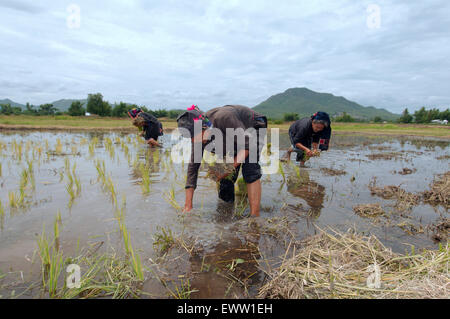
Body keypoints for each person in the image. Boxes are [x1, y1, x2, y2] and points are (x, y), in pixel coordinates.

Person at [177, 104, 267, 217]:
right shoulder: (197, 137)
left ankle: (255, 217)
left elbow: (247, 146)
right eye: (190, 138)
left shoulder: (224, 118)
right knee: (225, 180)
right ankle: (226, 212)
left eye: (195, 136)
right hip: (231, 134)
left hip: (253, 125)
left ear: (204, 127)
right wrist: (188, 205)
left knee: (250, 168)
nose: (194, 140)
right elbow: (192, 169)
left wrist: (228, 168)